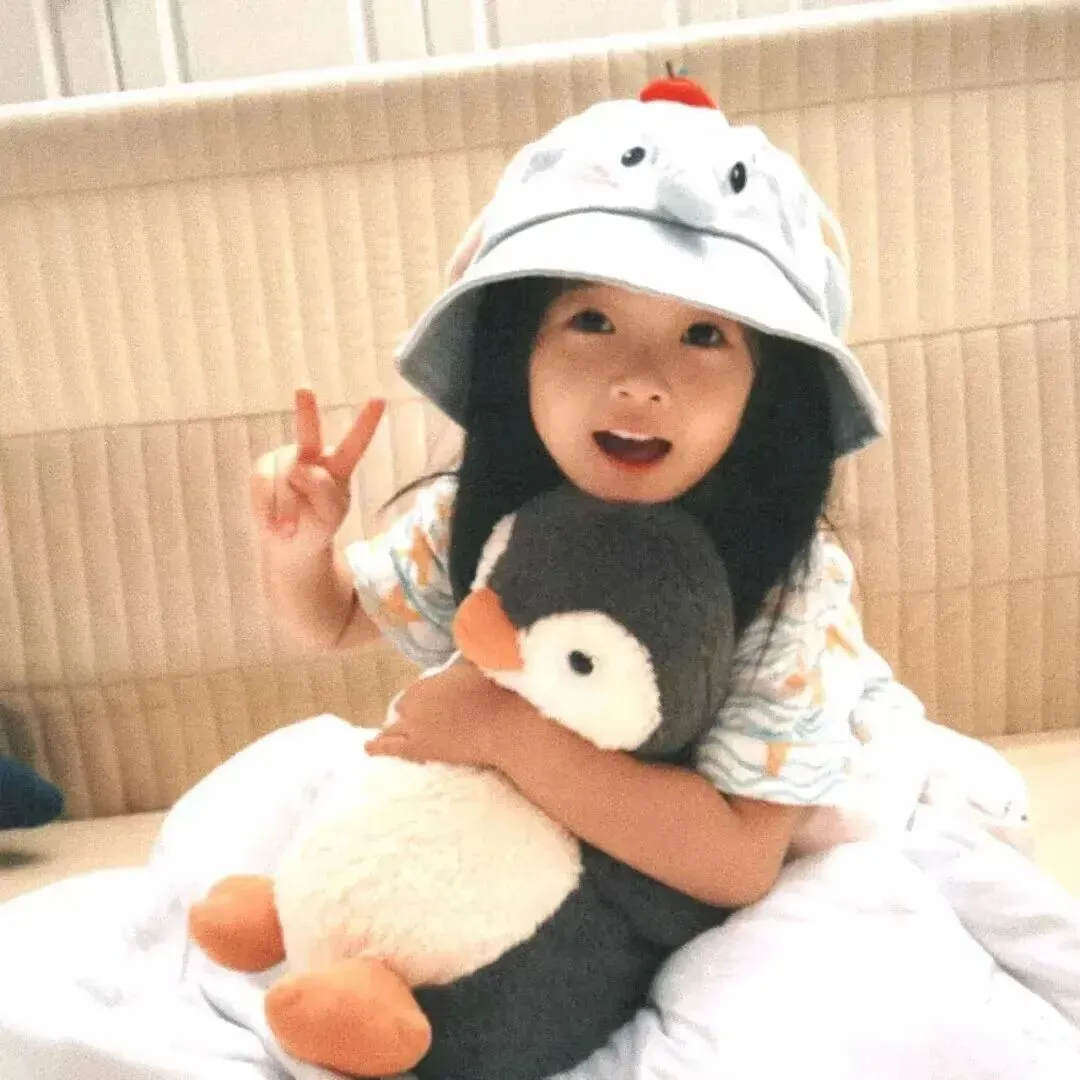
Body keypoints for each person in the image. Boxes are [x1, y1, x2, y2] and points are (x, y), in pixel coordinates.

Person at [249, 85, 901, 912]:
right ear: (516, 351)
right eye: (592, 320)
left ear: (767, 392)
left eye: (705, 334)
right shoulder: (491, 517)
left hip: (743, 858)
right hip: (544, 848)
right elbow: (336, 617)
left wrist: (503, 733)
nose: (641, 380)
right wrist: (297, 548)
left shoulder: (793, 588)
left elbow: (740, 862)